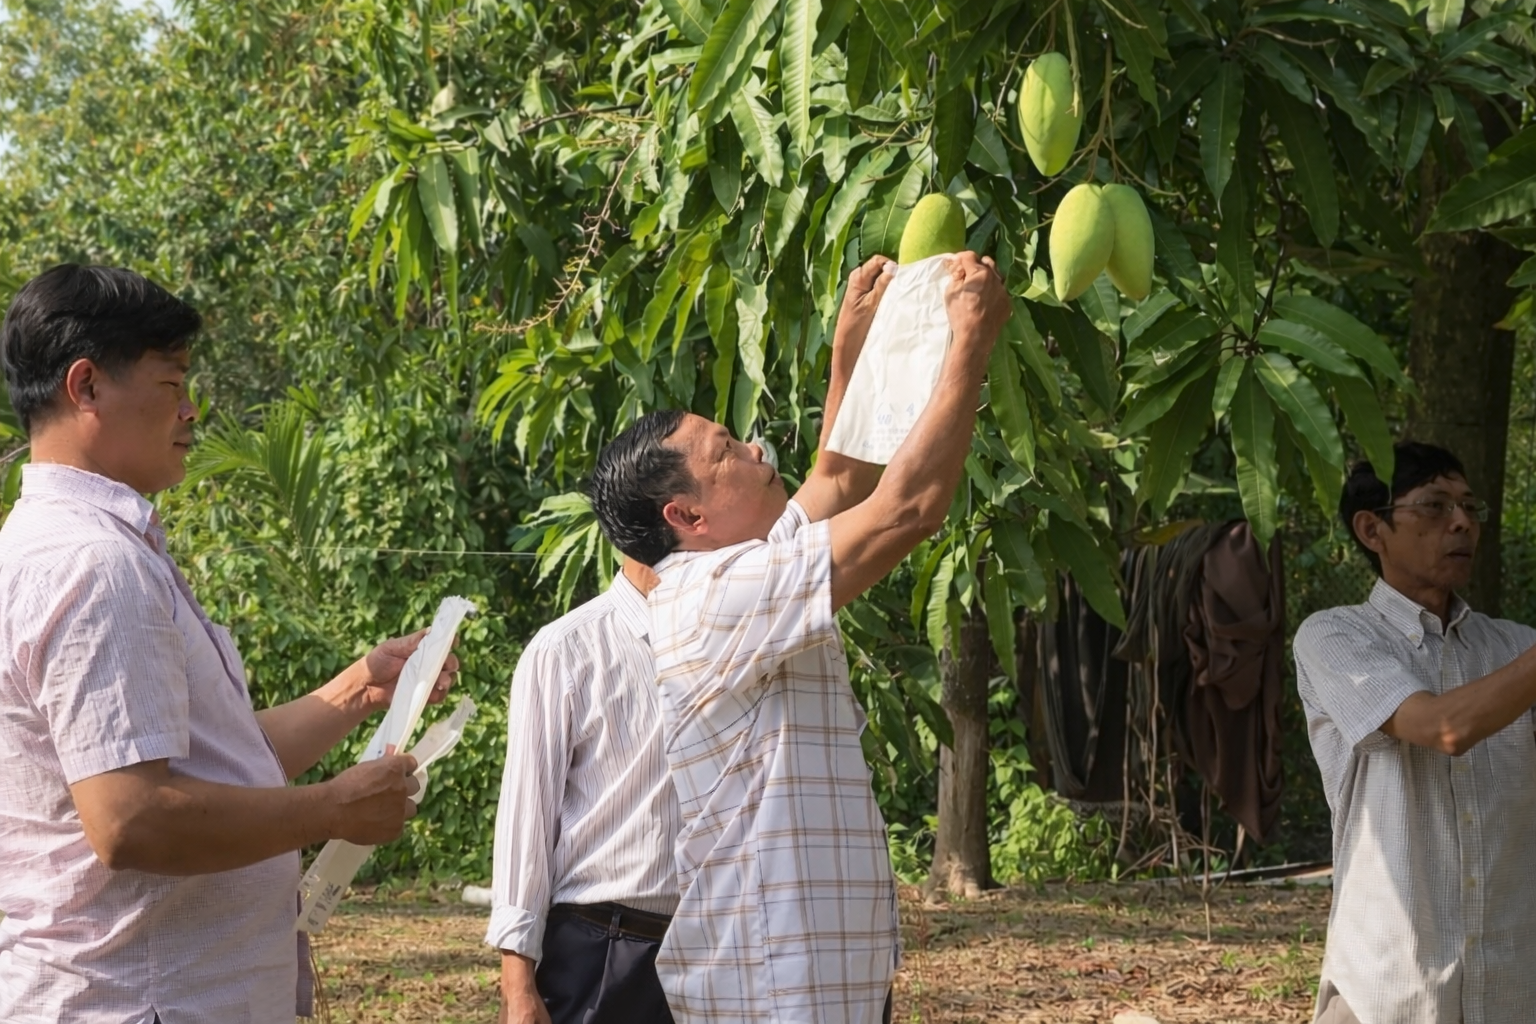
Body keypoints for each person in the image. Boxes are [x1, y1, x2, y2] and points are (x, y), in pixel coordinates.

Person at [0, 264, 458, 1024]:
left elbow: (215, 761)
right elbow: (132, 818)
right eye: (172, 384)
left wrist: (359, 690)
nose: (191, 411)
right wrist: (331, 810)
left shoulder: (63, 545)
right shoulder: (95, 564)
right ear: (87, 387)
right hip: (141, 1000)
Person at [587, 251, 1012, 1023]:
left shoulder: (747, 561)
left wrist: (850, 351)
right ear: (686, 518)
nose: (756, 449)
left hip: (817, 976)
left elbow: (840, 478)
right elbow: (906, 508)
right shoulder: (714, 594)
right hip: (772, 987)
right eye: (728, 452)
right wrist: (969, 346)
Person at [1294, 441, 1536, 1024]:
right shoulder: (1335, 637)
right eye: (1433, 506)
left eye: (1469, 507)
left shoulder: (1515, 648)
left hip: (1510, 988)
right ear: (1372, 530)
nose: (1461, 522)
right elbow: (1442, 727)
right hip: (1388, 991)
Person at [489, 557, 682, 1024]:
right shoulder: (567, 648)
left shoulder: (730, 637)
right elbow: (527, 814)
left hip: (712, 946)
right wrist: (518, 983)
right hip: (602, 950)